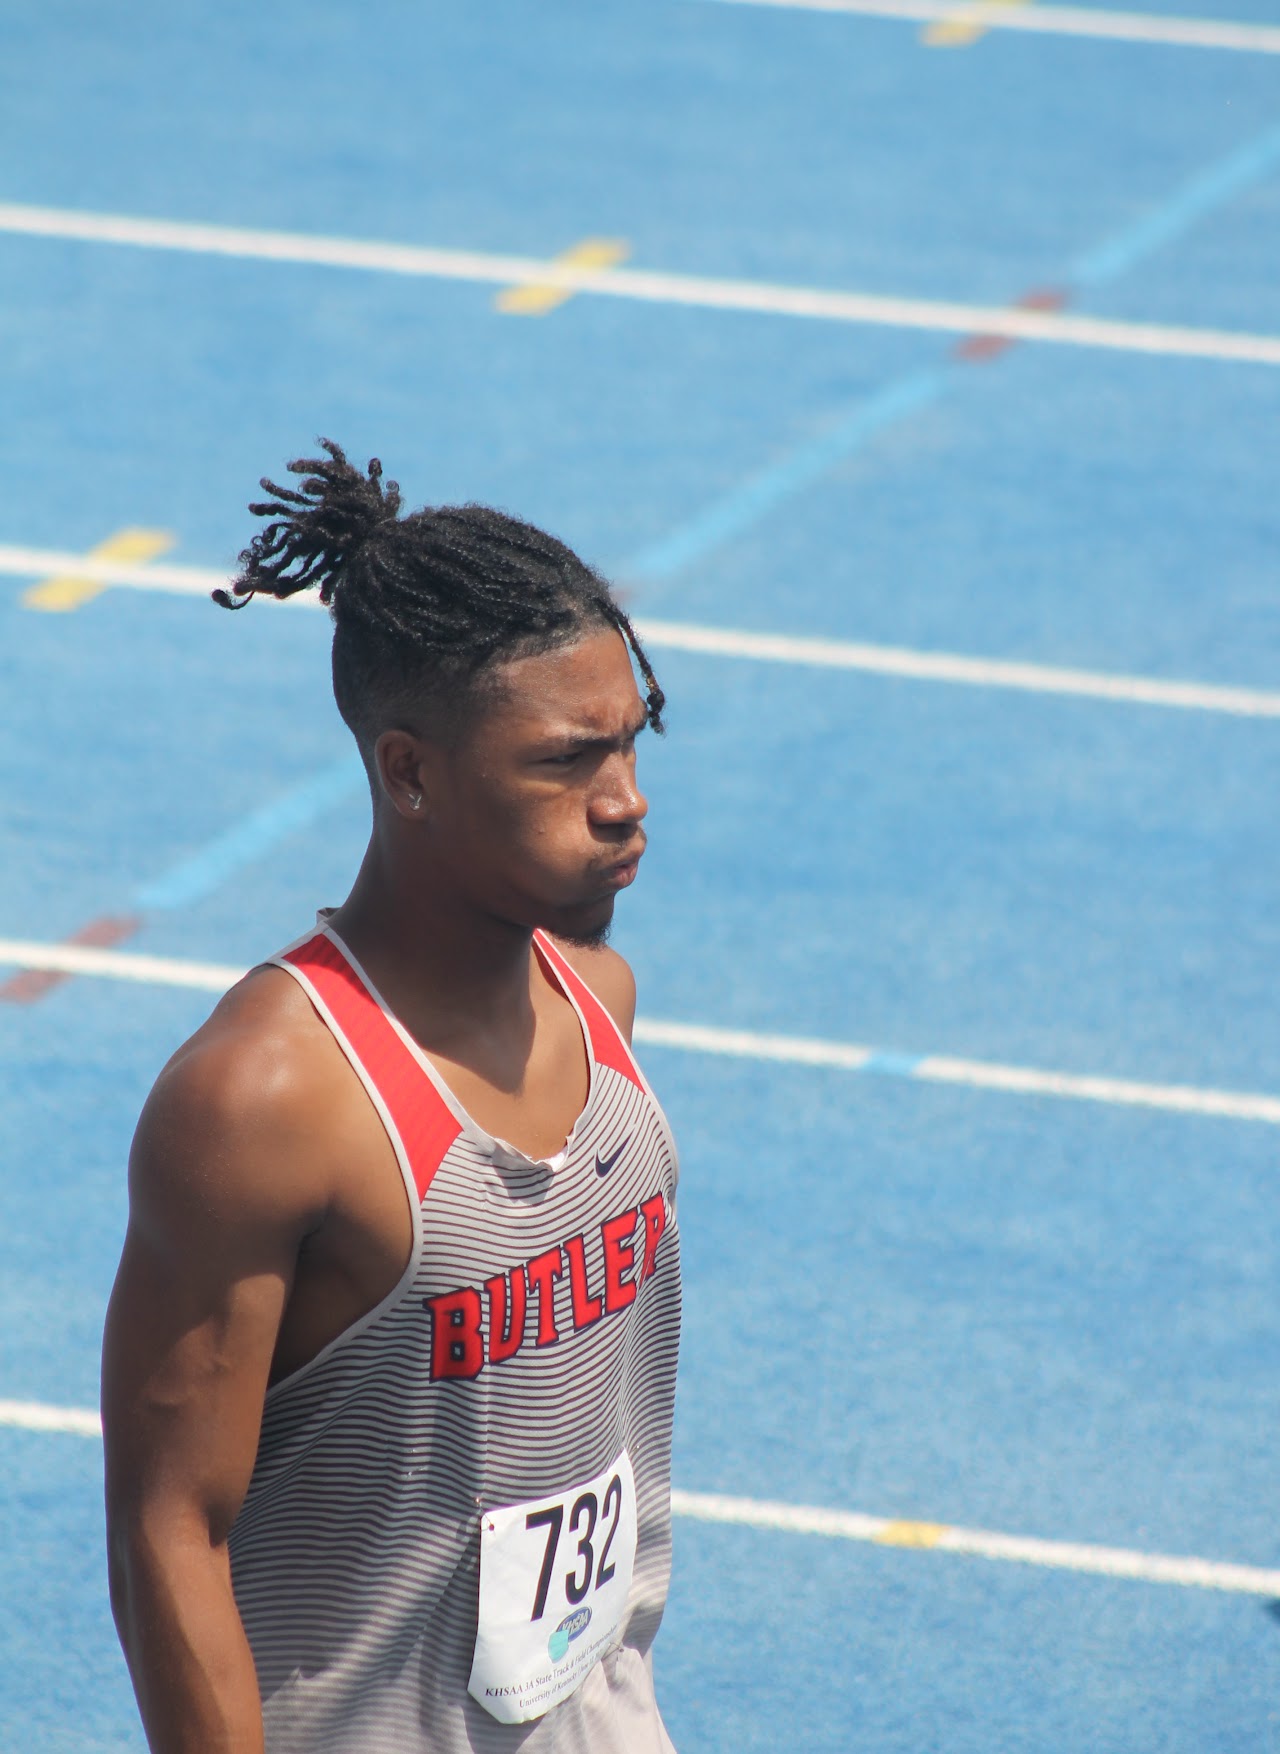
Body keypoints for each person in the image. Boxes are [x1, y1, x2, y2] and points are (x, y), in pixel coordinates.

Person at [101, 442, 682, 1754]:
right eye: (567, 760)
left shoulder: (600, 999)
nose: (626, 802)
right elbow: (166, 1525)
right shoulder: (266, 1100)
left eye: (635, 743)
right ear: (410, 772)